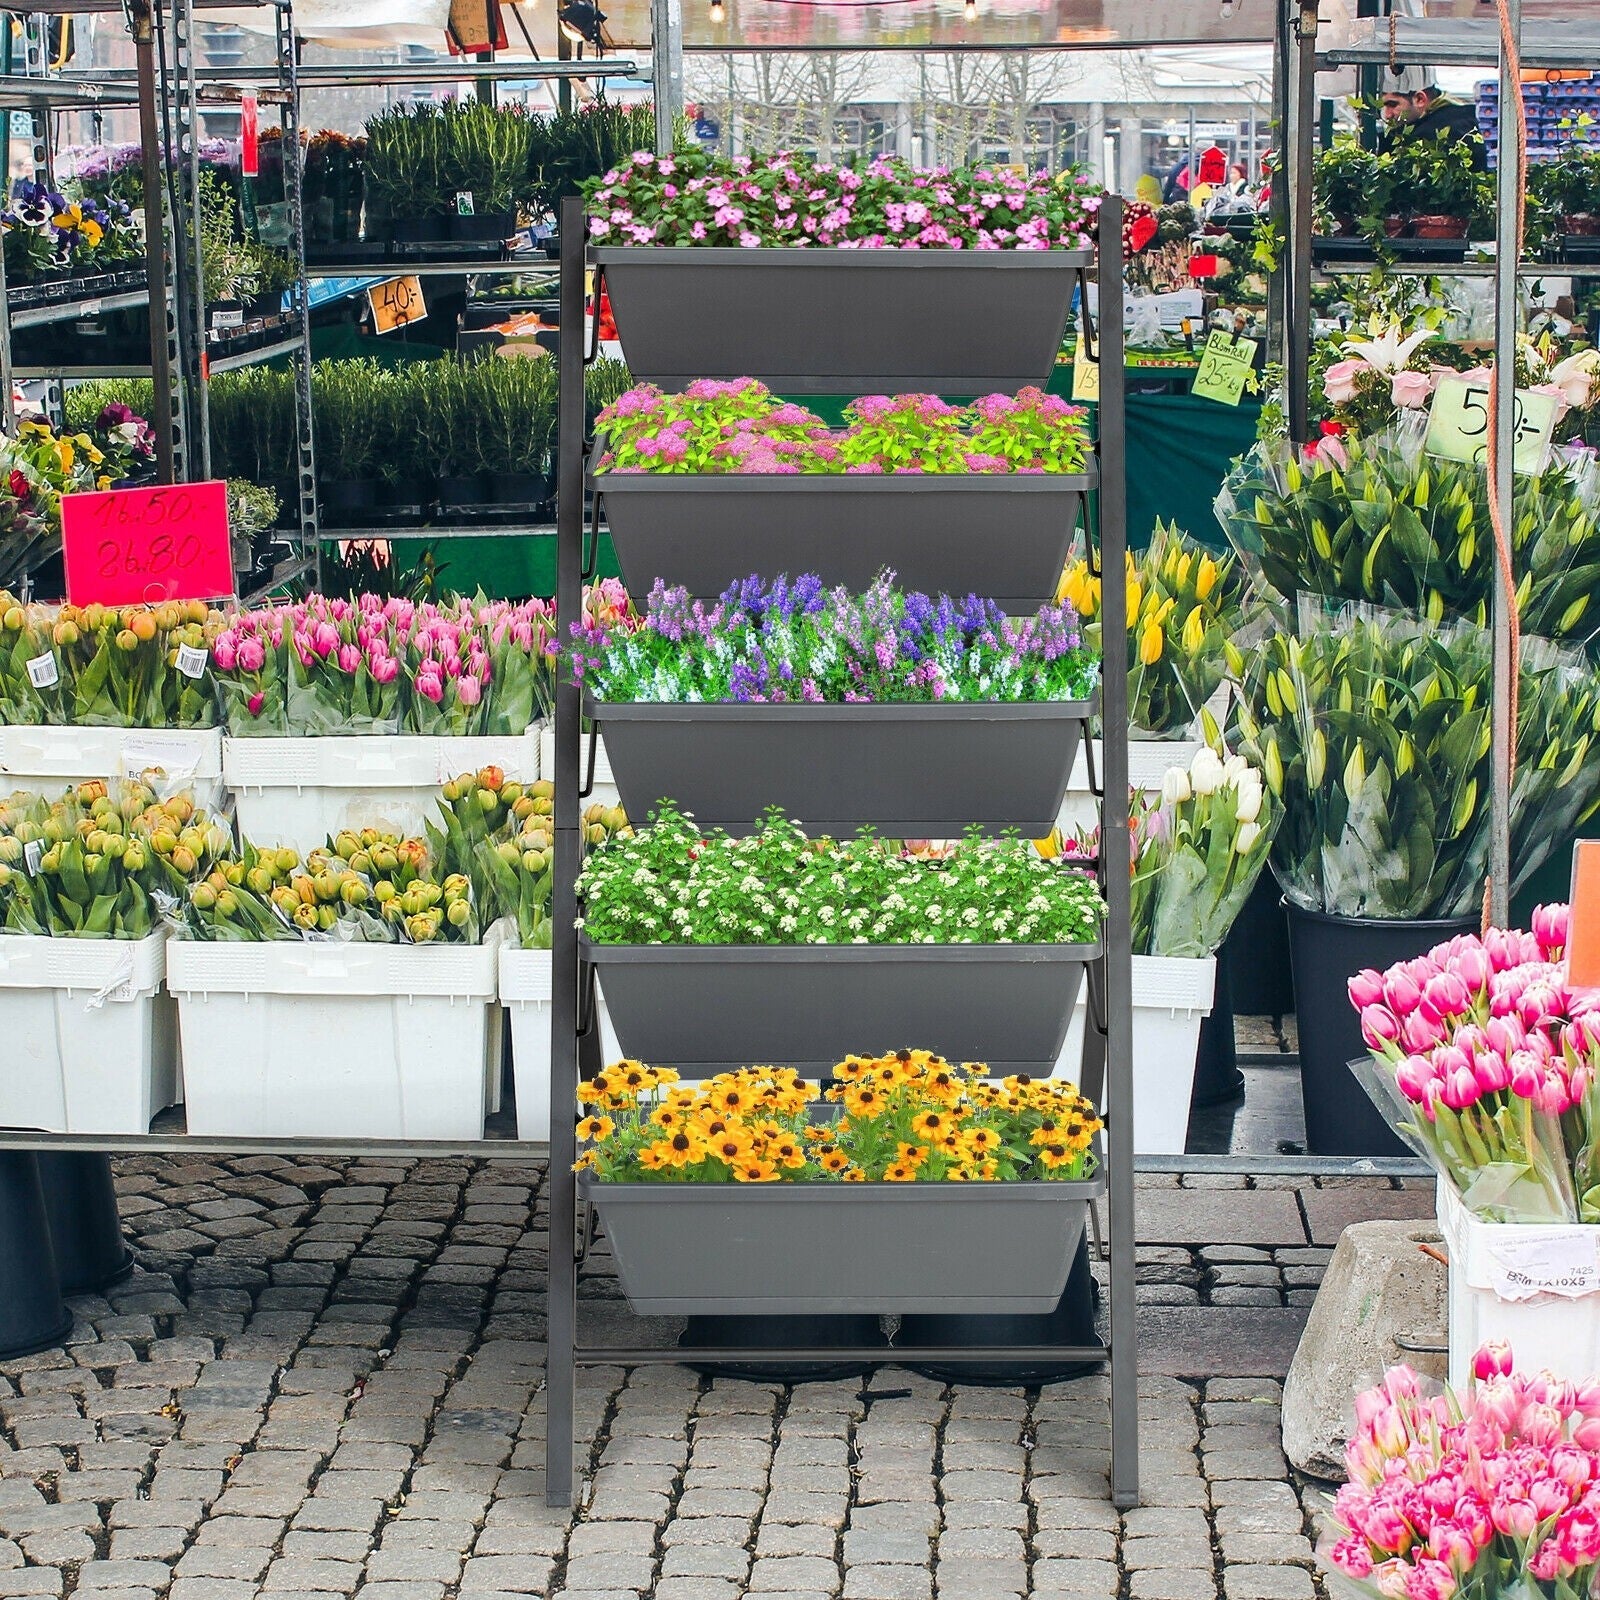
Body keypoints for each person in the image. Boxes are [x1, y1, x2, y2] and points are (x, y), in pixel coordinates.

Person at [1379, 65, 1488, 169]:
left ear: (1420, 99)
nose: (1387, 114)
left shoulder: (1425, 136)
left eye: (1392, 105)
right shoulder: (1469, 115)